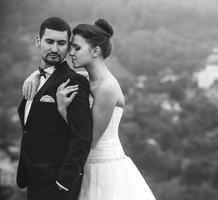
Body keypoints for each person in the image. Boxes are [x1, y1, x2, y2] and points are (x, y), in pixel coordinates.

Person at [23, 18, 156, 200]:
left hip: (104, 166)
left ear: (95, 51)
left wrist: (63, 111)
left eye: (76, 48)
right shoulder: (87, 79)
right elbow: (53, 73)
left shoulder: (107, 88)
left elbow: (90, 140)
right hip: (84, 166)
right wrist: (35, 74)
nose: (70, 53)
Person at [17, 17, 93, 200]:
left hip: (56, 185)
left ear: (68, 46)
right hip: (33, 178)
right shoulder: (34, 80)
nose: (54, 49)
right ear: (38, 41)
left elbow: (83, 137)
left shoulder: (74, 81)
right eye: (49, 41)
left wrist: (64, 181)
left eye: (61, 43)